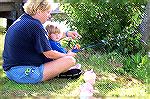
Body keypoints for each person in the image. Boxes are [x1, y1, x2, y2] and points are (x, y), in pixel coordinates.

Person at [2, 0, 81, 84]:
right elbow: (49, 54)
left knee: (63, 60)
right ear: (39, 11)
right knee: (70, 60)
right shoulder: (35, 26)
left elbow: (46, 38)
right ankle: (56, 73)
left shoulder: (24, 20)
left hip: (11, 72)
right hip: (24, 73)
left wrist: (67, 34)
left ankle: (55, 72)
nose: (49, 16)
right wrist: (66, 55)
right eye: (48, 12)